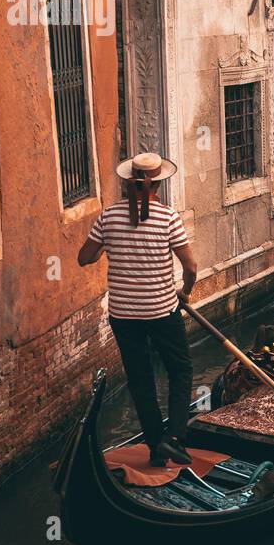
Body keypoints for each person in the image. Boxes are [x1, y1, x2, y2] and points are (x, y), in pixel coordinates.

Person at [77, 152, 198, 467]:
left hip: (124, 314)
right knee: (181, 371)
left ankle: (157, 448)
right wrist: (185, 292)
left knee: (140, 379)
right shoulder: (168, 217)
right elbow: (191, 266)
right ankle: (174, 438)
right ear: (158, 183)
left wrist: (111, 244)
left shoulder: (108, 217)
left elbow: (84, 258)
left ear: (128, 182)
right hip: (161, 310)